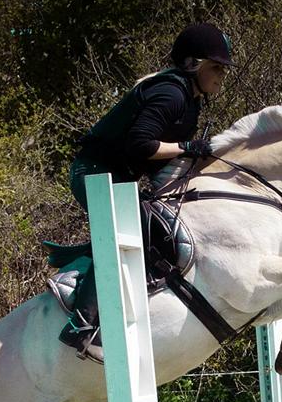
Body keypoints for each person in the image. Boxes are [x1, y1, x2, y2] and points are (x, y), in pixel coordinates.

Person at [60, 22, 233, 362]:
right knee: (133, 228)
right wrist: (187, 147)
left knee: (156, 226)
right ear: (193, 64)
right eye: (217, 68)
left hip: (117, 176)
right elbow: (141, 145)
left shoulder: (191, 100)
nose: (221, 76)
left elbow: (157, 159)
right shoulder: (172, 94)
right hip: (92, 172)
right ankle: (81, 325)